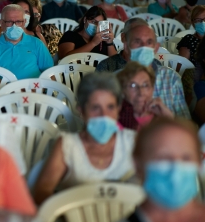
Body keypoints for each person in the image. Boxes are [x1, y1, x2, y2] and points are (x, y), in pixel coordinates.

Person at [32, 72, 137, 205]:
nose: (104, 115)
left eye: (110, 107)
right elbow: (42, 192)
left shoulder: (133, 142)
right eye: (95, 108)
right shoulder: (67, 146)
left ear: (118, 110)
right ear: (81, 111)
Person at [96, 18, 190, 119]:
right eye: (137, 41)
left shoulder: (171, 78)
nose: (144, 47)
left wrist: (168, 117)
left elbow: (186, 122)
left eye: (149, 42)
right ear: (126, 46)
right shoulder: (115, 80)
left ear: (156, 48)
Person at [0, 4, 53, 80]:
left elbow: (49, 72)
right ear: (1, 23)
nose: (14, 26)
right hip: (3, 90)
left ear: (24, 22)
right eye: (9, 22)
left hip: (33, 89)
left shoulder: (37, 43)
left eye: (18, 21)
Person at [116, 61, 173, 130]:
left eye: (145, 85)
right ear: (123, 91)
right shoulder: (115, 118)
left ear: (152, 89)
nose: (141, 93)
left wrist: (169, 118)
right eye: (133, 85)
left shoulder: (161, 117)